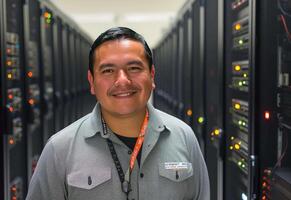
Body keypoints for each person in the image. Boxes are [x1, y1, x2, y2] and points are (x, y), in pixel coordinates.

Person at [26, 27, 210, 200]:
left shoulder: (184, 137)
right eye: (108, 70)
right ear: (92, 81)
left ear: (152, 75)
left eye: (134, 68)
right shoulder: (59, 149)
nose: (123, 80)